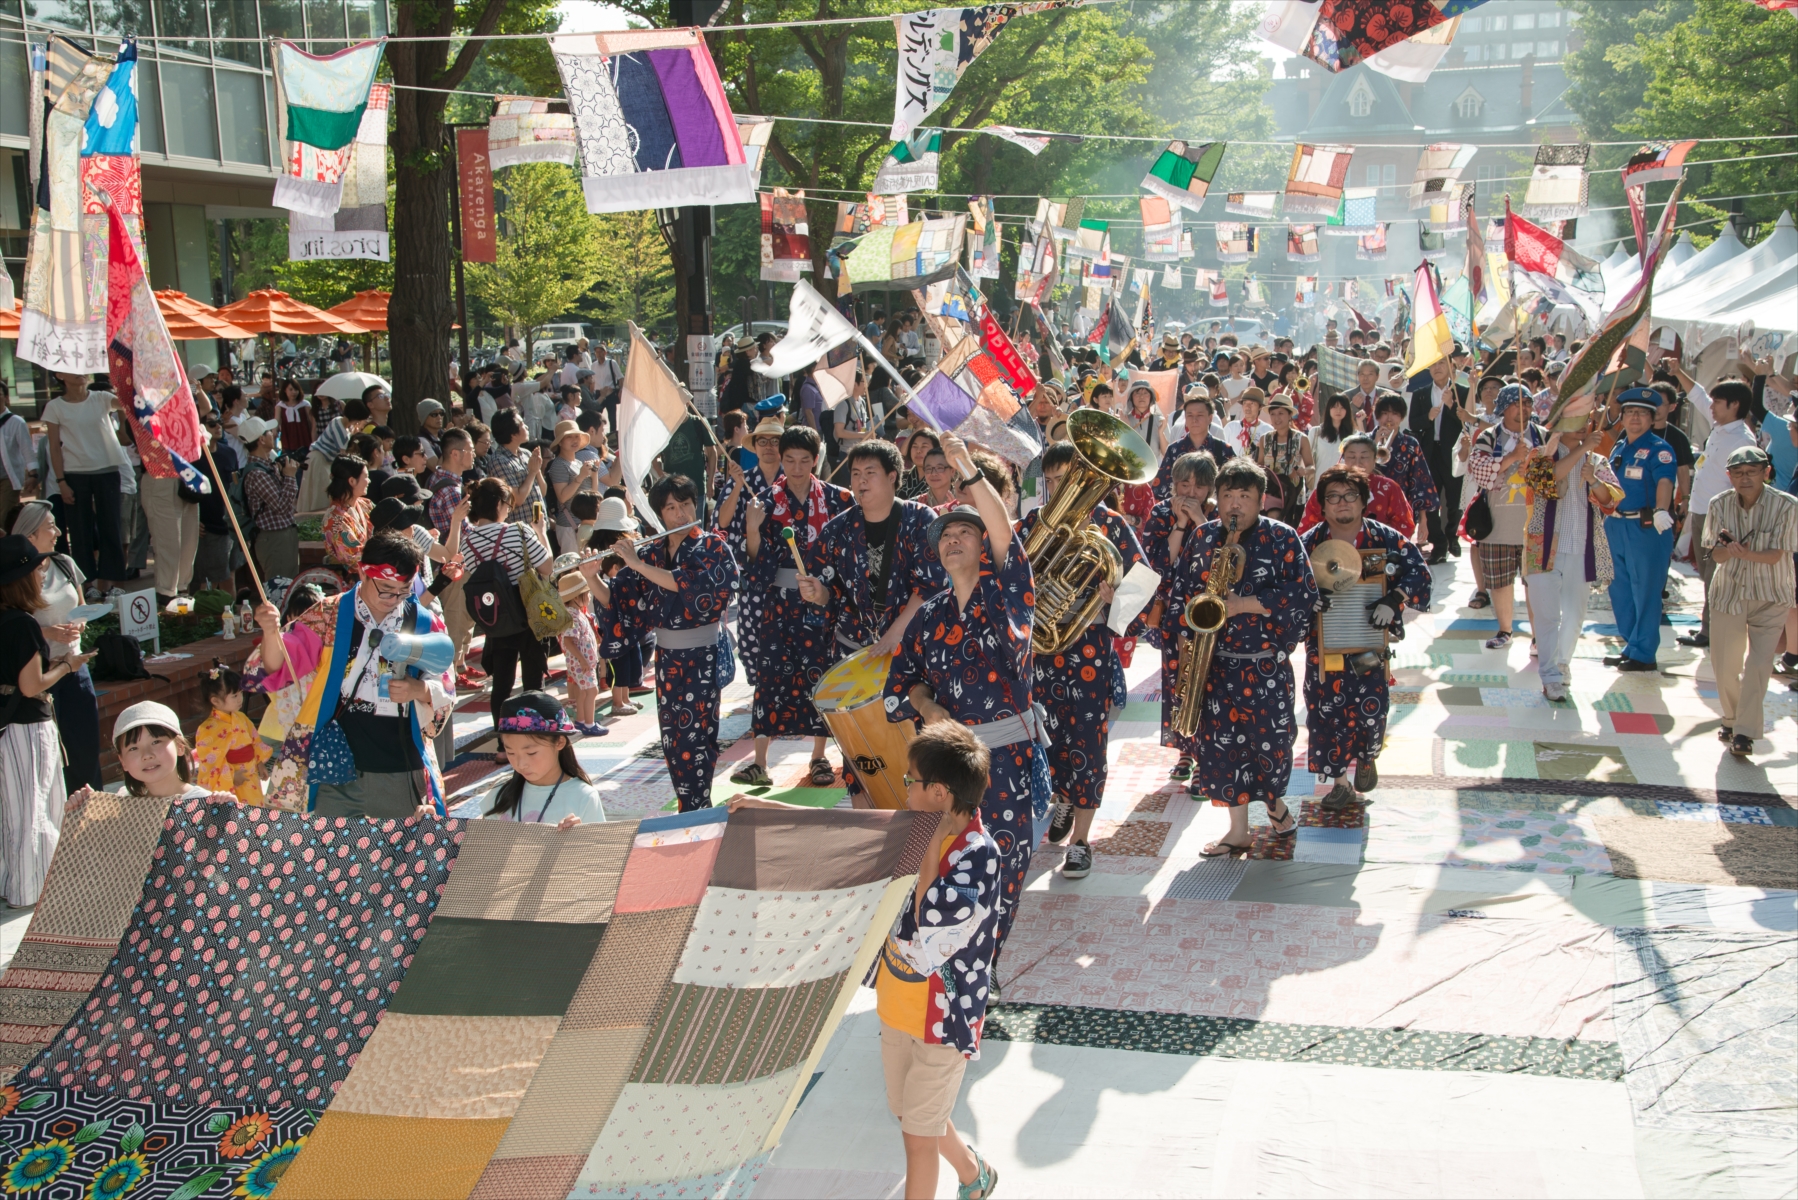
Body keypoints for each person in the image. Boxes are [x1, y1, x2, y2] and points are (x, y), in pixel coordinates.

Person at [884, 431, 1042, 970]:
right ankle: (941, 955)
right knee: (942, 855)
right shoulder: (929, 615)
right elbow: (904, 682)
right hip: (946, 765)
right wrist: (926, 706)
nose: (953, 540)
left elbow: (1005, 533)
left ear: (983, 545)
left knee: (1004, 860)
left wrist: (965, 467)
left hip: (1006, 760)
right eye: (945, 535)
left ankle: (985, 964)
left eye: (965, 532)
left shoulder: (1008, 593)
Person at [869, 722, 1001, 1200]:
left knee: (918, 1138)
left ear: (940, 793)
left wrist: (928, 846)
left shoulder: (979, 856)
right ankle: (974, 1173)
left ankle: (970, 1176)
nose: (905, 789)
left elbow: (934, 920)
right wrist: (766, 811)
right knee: (909, 1112)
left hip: (943, 1021)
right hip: (896, 1004)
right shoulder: (915, 827)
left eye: (912, 781)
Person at [246, 531, 455, 817]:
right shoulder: (327, 615)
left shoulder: (423, 622)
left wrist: (418, 690)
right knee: (325, 844)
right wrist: (271, 633)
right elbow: (278, 666)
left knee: (404, 844)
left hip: (400, 766)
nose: (394, 599)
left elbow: (445, 683)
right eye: (385, 589)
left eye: (404, 590)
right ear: (362, 572)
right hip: (331, 763)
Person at [1173, 459, 1317, 856]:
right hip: (1213, 663)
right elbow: (1182, 593)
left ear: (1260, 499)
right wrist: (1185, 649)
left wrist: (1244, 605)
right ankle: (1237, 830)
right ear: (1216, 498)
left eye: (1245, 496)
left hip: (1263, 663)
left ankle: (1274, 804)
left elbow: (1303, 594)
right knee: (1221, 749)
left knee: (1271, 745)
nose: (1235, 504)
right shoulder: (1203, 536)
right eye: (1228, 495)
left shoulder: (1283, 537)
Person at [1021, 441, 1146, 880]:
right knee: (1049, 737)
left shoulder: (1111, 525)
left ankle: (1081, 840)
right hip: (1043, 652)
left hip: (1089, 648)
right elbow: (1007, 579)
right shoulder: (1033, 523)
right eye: (1053, 480)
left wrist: (1113, 601)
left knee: (1089, 743)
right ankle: (1063, 799)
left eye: (1068, 479)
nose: (1060, 488)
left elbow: (1142, 590)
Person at [593, 475, 738, 811]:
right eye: (671, 508)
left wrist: (636, 564)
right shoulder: (650, 552)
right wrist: (591, 578)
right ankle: (688, 802)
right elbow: (619, 602)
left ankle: (697, 803)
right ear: (660, 513)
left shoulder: (713, 547)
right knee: (672, 737)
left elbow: (691, 586)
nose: (680, 514)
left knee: (697, 734)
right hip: (667, 657)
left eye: (685, 504)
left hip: (702, 654)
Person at [1300, 465, 1431, 808]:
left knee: (1371, 710)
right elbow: (1286, 585)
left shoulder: (1384, 540)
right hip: (1325, 645)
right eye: (1333, 497)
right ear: (1322, 505)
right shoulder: (1308, 544)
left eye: (1350, 495)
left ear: (1363, 501)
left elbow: (1420, 573)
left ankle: (1367, 756)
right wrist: (1308, 599)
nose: (1342, 502)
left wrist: (1394, 599)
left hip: (1368, 643)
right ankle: (1340, 783)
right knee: (1326, 711)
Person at [735, 425, 853, 788]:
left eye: (804, 460)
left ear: (816, 459)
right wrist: (752, 529)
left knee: (821, 675)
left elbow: (849, 552)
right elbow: (753, 565)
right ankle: (759, 762)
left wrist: (827, 589)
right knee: (769, 678)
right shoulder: (764, 502)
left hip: (820, 602)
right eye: (790, 460)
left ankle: (819, 757)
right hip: (779, 604)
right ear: (780, 459)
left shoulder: (838, 499)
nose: (797, 468)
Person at [800, 438, 946, 678]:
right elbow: (829, 589)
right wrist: (818, 593)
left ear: (892, 476)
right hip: (853, 646)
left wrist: (895, 633)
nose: (861, 480)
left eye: (870, 472)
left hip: (910, 642)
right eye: (856, 474)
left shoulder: (920, 519)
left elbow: (931, 585)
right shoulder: (838, 528)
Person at [0, 534, 91, 907]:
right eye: (38, 571)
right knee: (34, 807)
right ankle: (30, 890)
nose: (43, 576)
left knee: (14, 809)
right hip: (28, 725)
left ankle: (16, 885)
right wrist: (68, 665)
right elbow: (31, 685)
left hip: (8, 726)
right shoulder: (22, 624)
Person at [1700, 445, 1798, 759]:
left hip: (1771, 594)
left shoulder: (1787, 505)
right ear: (1729, 476)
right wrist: (1728, 551)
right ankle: (1731, 718)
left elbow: (1776, 556)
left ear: (1766, 472)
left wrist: (1744, 553)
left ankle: (1744, 732)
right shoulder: (1719, 504)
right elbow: (1714, 554)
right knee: (1725, 665)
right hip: (1729, 593)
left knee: (1758, 664)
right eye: (1738, 473)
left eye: (1752, 472)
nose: (1745, 478)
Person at [1521, 426, 1621, 702]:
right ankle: (1550, 676)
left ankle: (1562, 663)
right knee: (1547, 615)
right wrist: (1583, 449)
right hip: (1542, 547)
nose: (1582, 426)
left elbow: (1612, 501)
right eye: (1575, 419)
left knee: (1575, 614)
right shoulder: (1540, 454)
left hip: (1581, 547)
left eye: (1585, 420)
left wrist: (1595, 482)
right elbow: (1547, 481)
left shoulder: (1597, 461)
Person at [12, 501, 103, 792]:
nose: (58, 532)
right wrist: (47, 632)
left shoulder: (64, 562)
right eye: (50, 526)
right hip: (42, 672)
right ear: (30, 535)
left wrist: (80, 623)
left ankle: (91, 806)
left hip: (75, 666)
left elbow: (81, 605)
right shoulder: (15, 574)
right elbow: (11, 626)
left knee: (85, 746)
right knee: (51, 752)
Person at [1144, 451, 1216, 786]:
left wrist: (1201, 521)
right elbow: (1159, 564)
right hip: (1173, 613)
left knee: (1207, 683)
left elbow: (1220, 557)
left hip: (1210, 612)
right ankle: (1184, 751)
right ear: (1173, 484)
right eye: (1184, 484)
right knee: (1177, 682)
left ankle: (1204, 756)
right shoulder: (1160, 512)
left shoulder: (1219, 514)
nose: (1191, 492)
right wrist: (1180, 523)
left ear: (1210, 488)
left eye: (1199, 486)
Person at [460, 478, 555, 729]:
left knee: (502, 683)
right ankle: (534, 733)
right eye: (508, 505)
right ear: (499, 504)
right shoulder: (518, 531)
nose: (509, 510)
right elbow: (547, 567)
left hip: (495, 615)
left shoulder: (467, 542)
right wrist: (541, 533)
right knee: (533, 681)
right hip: (527, 610)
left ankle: (503, 739)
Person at [1465, 385, 1549, 652]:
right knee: (1500, 582)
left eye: (1527, 403)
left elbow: (1553, 477)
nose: (1523, 409)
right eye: (1516, 404)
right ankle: (1505, 630)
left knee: (1537, 584)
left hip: (1535, 525)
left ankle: (1538, 637)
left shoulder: (1543, 436)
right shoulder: (1488, 436)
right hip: (1497, 524)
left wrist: (1532, 467)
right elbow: (1479, 471)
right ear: (1504, 408)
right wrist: (1512, 457)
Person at [1682, 380, 1763, 649]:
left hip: (1721, 517)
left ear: (1734, 405)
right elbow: (1698, 396)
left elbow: (1747, 484)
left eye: (1717, 402)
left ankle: (1714, 631)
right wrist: (1678, 371)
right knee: (1706, 573)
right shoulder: (1720, 427)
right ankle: (1709, 627)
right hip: (1701, 511)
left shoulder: (1742, 440)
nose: (1712, 407)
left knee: (1718, 576)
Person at [1604, 389, 1680, 673]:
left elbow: (1665, 481)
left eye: (1642, 413)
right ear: (1622, 417)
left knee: (1645, 589)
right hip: (1616, 523)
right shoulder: (1619, 447)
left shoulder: (1660, 448)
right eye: (1630, 412)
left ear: (1652, 418)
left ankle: (1644, 653)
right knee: (1620, 589)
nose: (1635, 418)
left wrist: (1661, 509)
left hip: (1646, 525)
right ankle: (1631, 644)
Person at [44, 372, 126, 595]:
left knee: (111, 528)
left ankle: (110, 585)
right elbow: (54, 448)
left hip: (107, 471)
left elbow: (127, 404)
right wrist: (61, 482)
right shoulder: (54, 407)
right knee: (80, 531)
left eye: (82, 368)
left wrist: (124, 379)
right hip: (74, 474)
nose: (80, 373)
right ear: (60, 375)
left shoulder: (102, 398)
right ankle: (87, 586)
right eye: (73, 369)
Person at [486, 691, 606, 826]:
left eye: (531, 753)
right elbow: (481, 839)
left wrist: (577, 835)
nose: (521, 764)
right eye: (511, 753)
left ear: (559, 742)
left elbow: (598, 840)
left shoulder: (583, 797)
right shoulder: (499, 793)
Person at [1406, 354, 1467, 563]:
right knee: (1430, 501)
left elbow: (1466, 423)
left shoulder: (1461, 392)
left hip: (1453, 453)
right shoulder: (1421, 394)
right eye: (1433, 364)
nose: (1437, 368)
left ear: (1451, 367)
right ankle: (1438, 545)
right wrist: (1428, 418)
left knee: (1454, 500)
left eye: (1442, 363)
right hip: (1429, 453)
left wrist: (1451, 406)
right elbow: (1413, 423)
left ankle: (1452, 535)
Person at [1297, 434, 1412, 537]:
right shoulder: (1327, 486)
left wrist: (1376, 534)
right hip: (1332, 549)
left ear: (1374, 459)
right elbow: (1308, 525)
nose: (1357, 462)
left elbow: (1404, 524)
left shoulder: (1389, 487)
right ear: (1343, 458)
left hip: (1379, 548)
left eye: (1364, 457)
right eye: (1352, 457)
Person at [193, 660, 269, 805]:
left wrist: (260, 763)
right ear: (215, 701)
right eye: (234, 696)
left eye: (241, 693)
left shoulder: (241, 717)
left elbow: (254, 741)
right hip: (231, 780)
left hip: (250, 773)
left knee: (254, 807)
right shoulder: (208, 728)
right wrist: (232, 776)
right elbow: (211, 761)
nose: (240, 699)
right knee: (234, 809)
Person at [237, 415, 300, 580]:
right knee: (279, 587)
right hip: (274, 538)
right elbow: (281, 507)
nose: (273, 433)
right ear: (261, 440)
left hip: (281, 536)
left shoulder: (266, 467)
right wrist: (290, 477)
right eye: (269, 432)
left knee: (289, 586)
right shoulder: (257, 474)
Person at [1373, 395, 1439, 542]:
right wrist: (1373, 444)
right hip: (1370, 508)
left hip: (1401, 509)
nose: (1389, 418)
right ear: (1377, 416)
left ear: (1402, 417)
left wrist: (1423, 521)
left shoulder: (1410, 444)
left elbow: (1420, 481)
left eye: (1395, 414)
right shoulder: (1365, 441)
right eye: (1385, 413)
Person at [1153, 391, 1231, 500]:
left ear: (1210, 418)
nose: (1194, 420)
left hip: (1214, 509)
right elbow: (1160, 490)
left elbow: (1234, 487)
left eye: (1200, 415)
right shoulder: (1174, 449)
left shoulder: (1224, 449)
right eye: (1190, 415)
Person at [299, 396, 368, 512]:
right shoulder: (339, 426)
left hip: (325, 460)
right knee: (320, 497)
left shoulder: (342, 424)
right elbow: (343, 452)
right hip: (319, 459)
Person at [1254, 394, 1312, 527]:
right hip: (1271, 493)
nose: (1276, 418)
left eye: (1281, 413)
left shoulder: (1301, 438)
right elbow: (1259, 466)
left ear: (1290, 415)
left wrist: (1303, 471)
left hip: (1294, 495)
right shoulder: (1264, 439)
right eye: (1273, 414)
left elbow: (1311, 467)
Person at [556, 566, 603, 727]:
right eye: (586, 593)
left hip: (581, 663)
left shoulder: (575, 614)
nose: (589, 596)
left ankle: (581, 721)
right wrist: (582, 660)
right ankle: (590, 724)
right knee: (592, 691)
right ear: (576, 597)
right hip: (581, 663)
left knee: (583, 692)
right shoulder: (574, 616)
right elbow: (569, 641)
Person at [481, 410, 546, 520]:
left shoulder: (526, 454)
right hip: (519, 526)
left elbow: (543, 492)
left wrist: (537, 469)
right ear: (513, 434)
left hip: (538, 523)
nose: (527, 427)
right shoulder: (499, 461)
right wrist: (532, 472)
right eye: (522, 424)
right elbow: (517, 499)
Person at [321, 454, 373, 571]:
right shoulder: (335, 519)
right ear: (352, 481)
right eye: (366, 477)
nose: (369, 481)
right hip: (351, 575)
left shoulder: (365, 504)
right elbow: (354, 559)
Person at [0, 380, 38, 535]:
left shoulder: (15, 422)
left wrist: (33, 474)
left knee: (4, 519)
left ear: (6, 398)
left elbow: (27, 450)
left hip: (8, 479)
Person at [1311, 393, 1357, 477]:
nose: (1338, 410)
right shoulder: (1315, 432)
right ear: (1329, 408)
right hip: (1319, 480)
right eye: (1335, 407)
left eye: (1342, 407)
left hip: (1342, 481)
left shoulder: (1353, 435)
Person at [1222, 388, 1272, 458]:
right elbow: (1222, 451)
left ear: (1260, 407)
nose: (1247, 407)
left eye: (1252, 403)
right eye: (1245, 403)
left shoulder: (1268, 430)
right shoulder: (1231, 427)